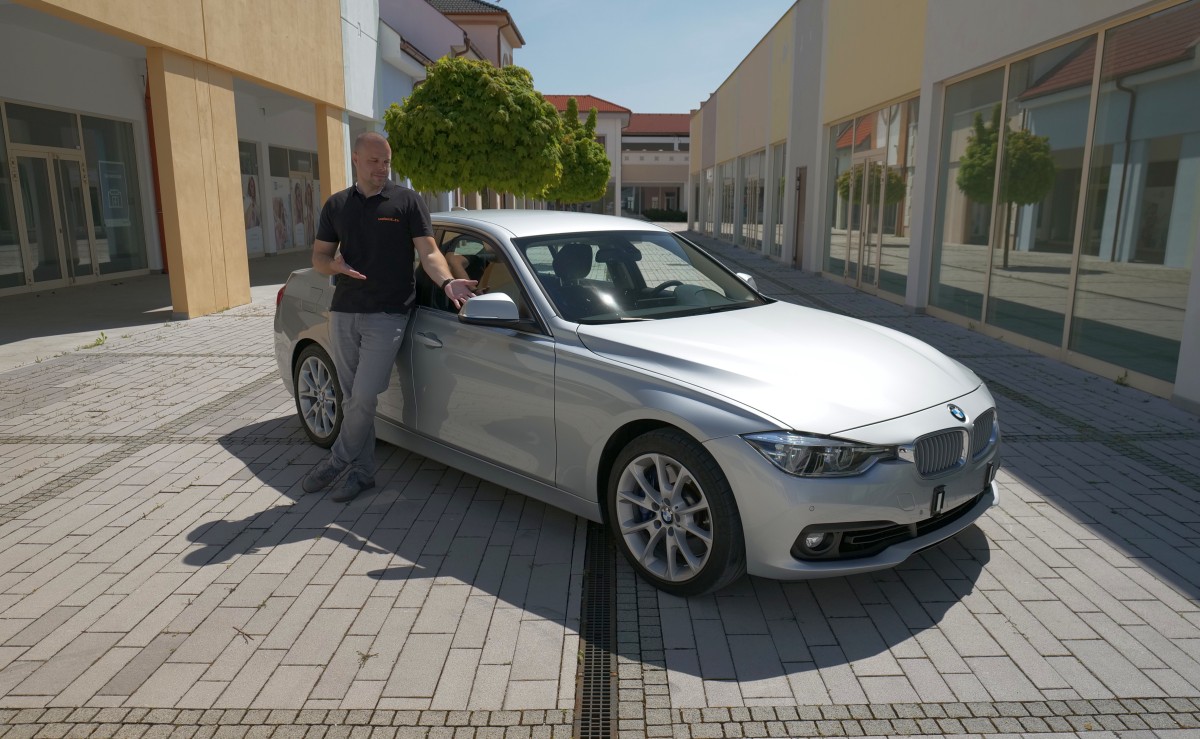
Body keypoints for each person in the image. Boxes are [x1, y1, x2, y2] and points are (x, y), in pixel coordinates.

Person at [304, 131, 477, 502]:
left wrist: (447, 282)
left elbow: (429, 253)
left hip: (387, 314)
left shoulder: (407, 201)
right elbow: (319, 257)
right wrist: (331, 265)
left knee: (365, 396)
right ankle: (362, 473)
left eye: (386, 161)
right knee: (352, 398)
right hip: (345, 311)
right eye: (374, 161)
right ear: (355, 159)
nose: (382, 168)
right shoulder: (336, 206)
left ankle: (338, 459)